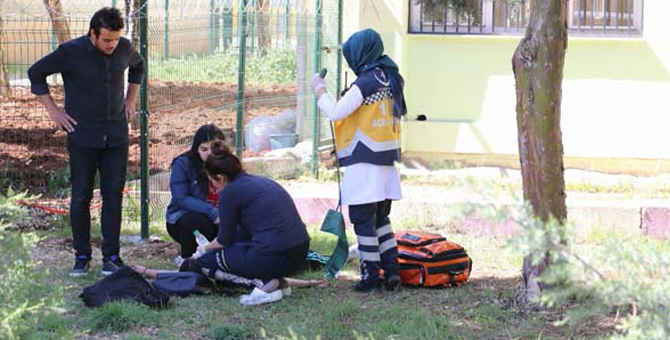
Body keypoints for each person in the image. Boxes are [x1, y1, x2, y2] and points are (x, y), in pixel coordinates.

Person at [27, 7, 145, 276]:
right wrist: (54, 111)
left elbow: (138, 67)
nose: (112, 45)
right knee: (80, 196)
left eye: (115, 39)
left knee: (113, 196)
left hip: (116, 136)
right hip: (82, 136)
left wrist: (130, 100)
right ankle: (82, 256)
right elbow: (35, 73)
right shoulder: (71, 52)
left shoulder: (124, 48)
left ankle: (112, 257)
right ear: (92, 34)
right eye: (106, 40)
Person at [309, 28, 407, 292]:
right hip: (387, 162)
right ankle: (393, 271)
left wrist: (319, 90)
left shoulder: (366, 82)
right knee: (381, 221)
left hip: (365, 162)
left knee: (363, 222)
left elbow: (336, 111)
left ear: (360, 53)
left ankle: (371, 277)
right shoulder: (391, 76)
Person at [188, 141, 311, 305]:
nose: (214, 187)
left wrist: (203, 249)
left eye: (213, 182)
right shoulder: (260, 182)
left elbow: (225, 240)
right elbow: (241, 234)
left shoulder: (230, 192)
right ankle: (279, 282)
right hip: (299, 252)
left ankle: (265, 284)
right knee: (233, 253)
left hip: (273, 255)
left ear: (221, 178)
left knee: (204, 261)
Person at [166, 124, 227, 264]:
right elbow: (180, 198)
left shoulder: (228, 163)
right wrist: (213, 213)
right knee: (194, 221)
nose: (209, 153)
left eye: (213, 148)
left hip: (222, 219)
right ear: (196, 148)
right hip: (186, 219)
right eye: (204, 149)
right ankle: (188, 259)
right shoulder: (183, 164)